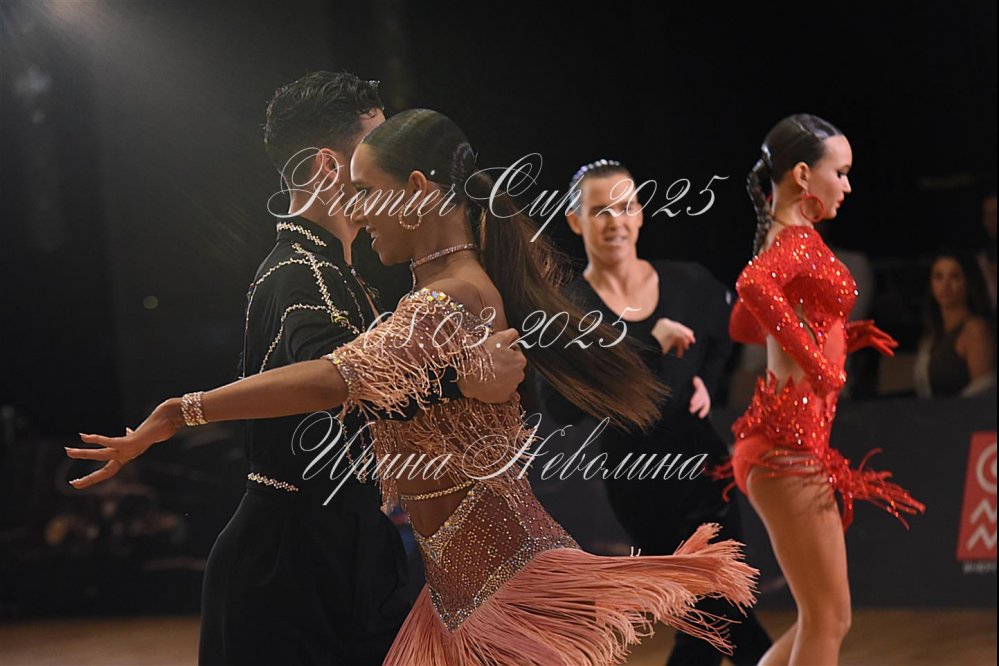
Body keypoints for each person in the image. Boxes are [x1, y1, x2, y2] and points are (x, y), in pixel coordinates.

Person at [68, 109, 758, 666]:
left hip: (498, 590)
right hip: (461, 593)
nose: (357, 209)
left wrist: (180, 410)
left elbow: (331, 379)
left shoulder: (448, 298)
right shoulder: (441, 295)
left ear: (420, 189)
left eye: (368, 191)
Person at [133, 72, 526, 666]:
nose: (386, 154)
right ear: (326, 165)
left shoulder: (348, 277)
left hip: (348, 551)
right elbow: (335, 379)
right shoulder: (302, 274)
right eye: (374, 143)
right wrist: (458, 380)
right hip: (291, 562)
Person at [539, 158, 773, 666]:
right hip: (638, 477)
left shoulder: (687, 282)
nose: (615, 221)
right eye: (600, 211)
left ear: (641, 213)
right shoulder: (568, 309)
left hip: (703, 466)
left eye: (625, 207)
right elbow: (559, 406)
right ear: (575, 221)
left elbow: (725, 332)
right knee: (705, 606)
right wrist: (648, 344)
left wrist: (707, 381)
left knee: (714, 607)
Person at [714, 114, 925, 665]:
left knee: (824, 618)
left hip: (786, 447)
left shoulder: (789, 239)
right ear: (804, 175)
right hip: (786, 449)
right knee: (828, 619)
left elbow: (742, 325)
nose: (848, 186)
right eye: (842, 172)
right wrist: (818, 360)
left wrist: (833, 333)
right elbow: (753, 287)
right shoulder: (795, 240)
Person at [913, 250, 996, 398]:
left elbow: (984, 391)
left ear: (968, 282)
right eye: (939, 277)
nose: (945, 285)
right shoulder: (932, 335)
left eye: (955, 276)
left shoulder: (975, 330)